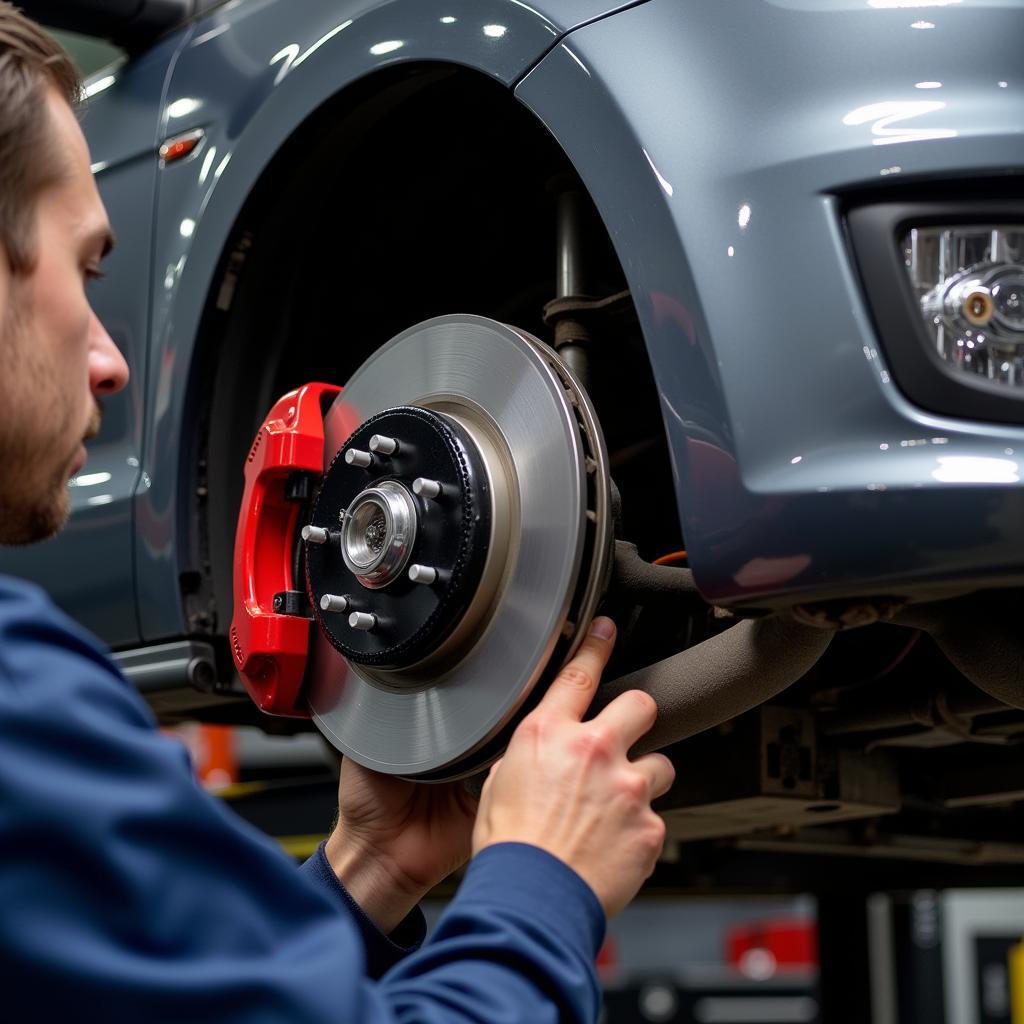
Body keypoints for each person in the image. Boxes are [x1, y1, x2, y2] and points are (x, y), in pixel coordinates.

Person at [0, 6, 675, 1020]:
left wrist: (368, 866)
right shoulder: (21, 707)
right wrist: (540, 884)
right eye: (85, 269)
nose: (109, 360)